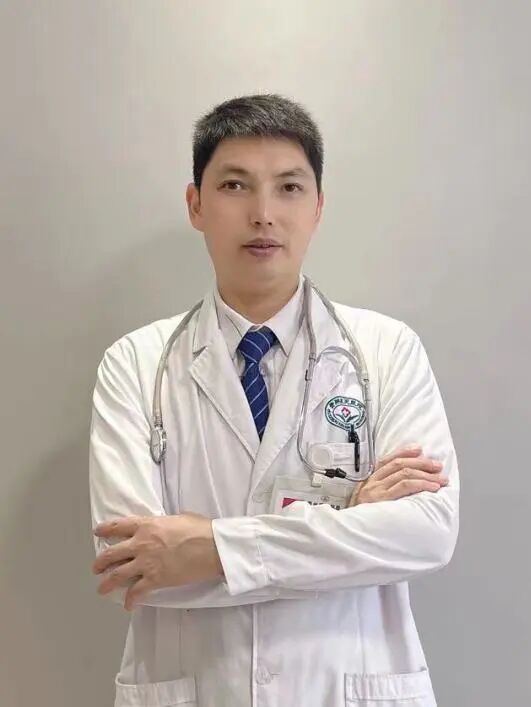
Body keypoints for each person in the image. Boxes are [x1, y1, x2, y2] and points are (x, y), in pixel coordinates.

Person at [89, 93, 459, 707]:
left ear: (317, 207)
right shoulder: (135, 363)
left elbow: (426, 534)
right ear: (196, 205)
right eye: (235, 186)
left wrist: (209, 549)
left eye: (288, 188)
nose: (263, 214)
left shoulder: (387, 351)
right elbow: (133, 566)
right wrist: (348, 524)